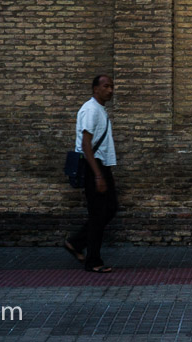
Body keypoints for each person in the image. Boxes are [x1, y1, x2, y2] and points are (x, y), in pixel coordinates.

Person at [64, 74, 118, 273]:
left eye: (112, 86)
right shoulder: (90, 110)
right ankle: (93, 261)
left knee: (110, 208)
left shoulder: (99, 109)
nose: (110, 90)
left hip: (101, 165)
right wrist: (97, 175)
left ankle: (76, 243)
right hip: (93, 166)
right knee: (98, 214)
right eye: (106, 86)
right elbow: (86, 144)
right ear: (95, 88)